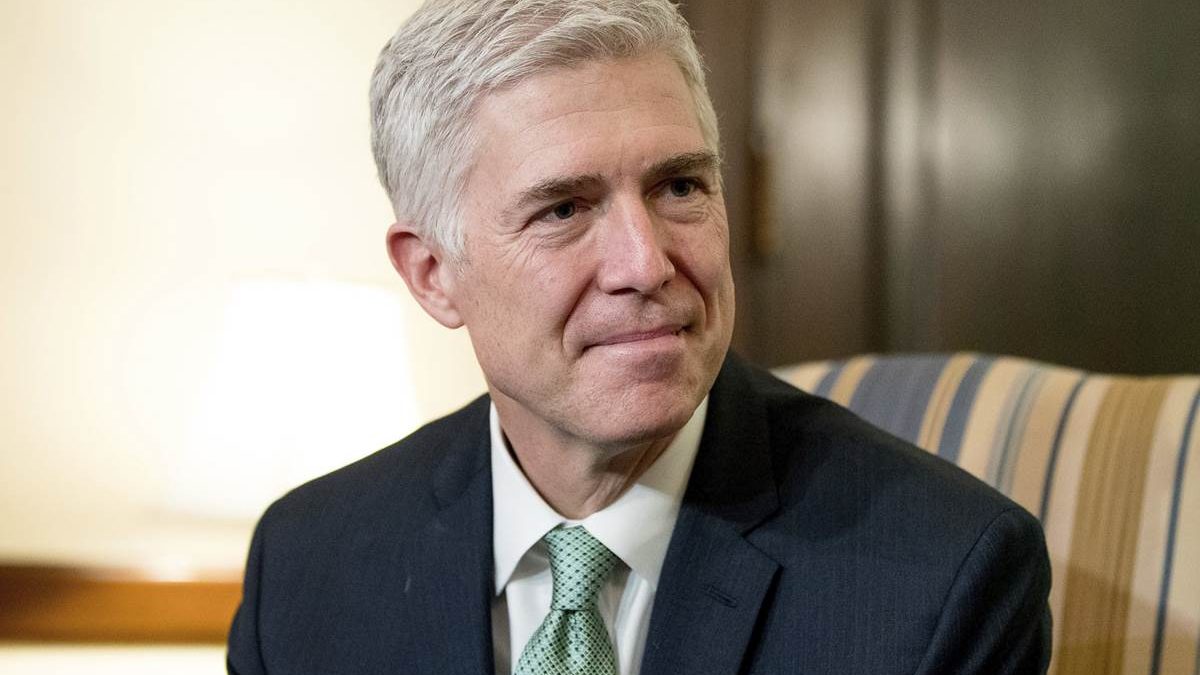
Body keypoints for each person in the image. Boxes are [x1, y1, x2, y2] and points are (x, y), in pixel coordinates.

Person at [226, 1, 1052, 673]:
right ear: (434, 273)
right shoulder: (305, 567)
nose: (646, 264)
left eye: (680, 186)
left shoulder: (944, 575)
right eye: (563, 209)